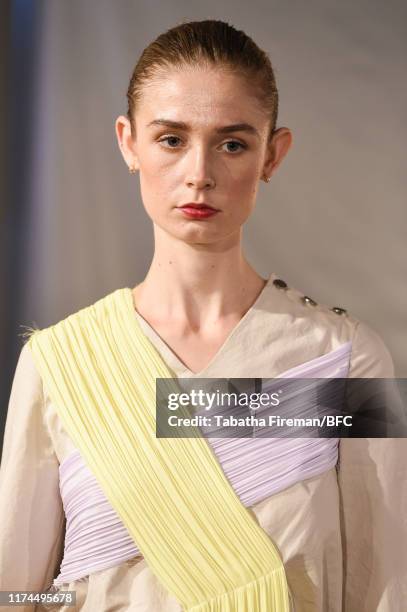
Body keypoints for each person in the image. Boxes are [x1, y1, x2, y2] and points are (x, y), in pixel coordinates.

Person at [0, 19, 405, 612]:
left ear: (273, 153)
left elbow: (386, 585)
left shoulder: (344, 359)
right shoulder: (59, 362)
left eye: (232, 143)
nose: (199, 173)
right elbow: (15, 587)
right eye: (170, 139)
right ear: (127, 142)